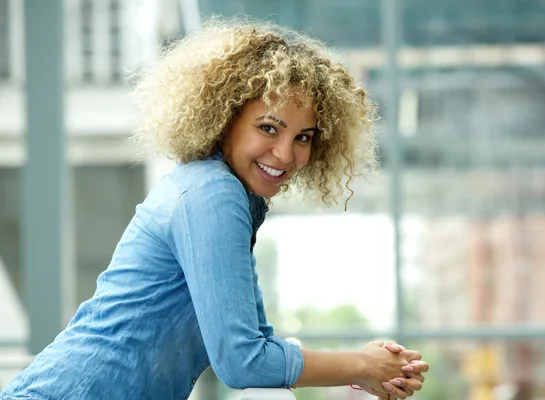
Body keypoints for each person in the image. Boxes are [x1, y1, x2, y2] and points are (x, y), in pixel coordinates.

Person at [0, 17, 429, 400]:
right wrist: (363, 365)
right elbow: (243, 362)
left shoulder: (231, 198)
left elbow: (258, 344)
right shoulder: (212, 195)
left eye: (304, 137)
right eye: (268, 128)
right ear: (225, 118)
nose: (285, 153)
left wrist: (367, 371)